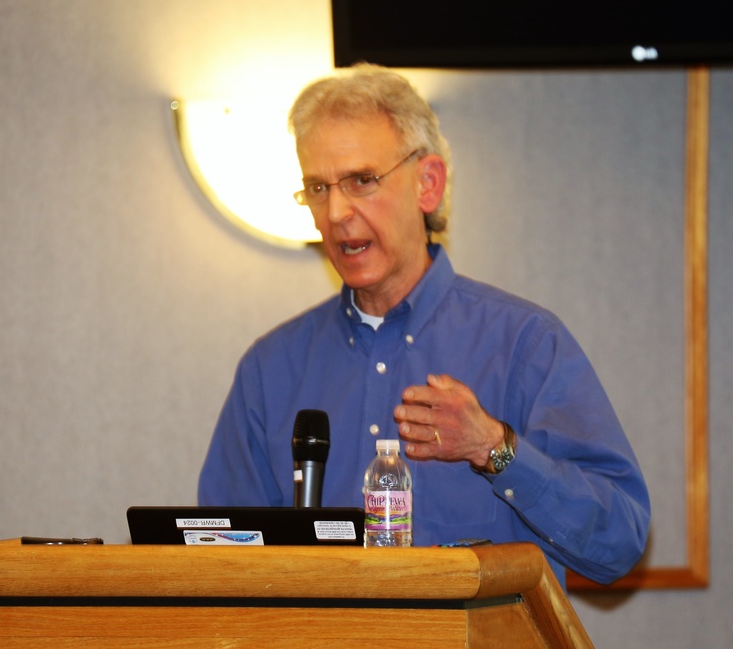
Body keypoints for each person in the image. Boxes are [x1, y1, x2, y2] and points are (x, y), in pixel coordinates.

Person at [198, 63, 650, 587]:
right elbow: (217, 567)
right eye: (318, 187)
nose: (336, 211)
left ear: (427, 184)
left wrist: (493, 448)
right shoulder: (270, 368)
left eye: (361, 181)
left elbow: (618, 541)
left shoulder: (526, 345)